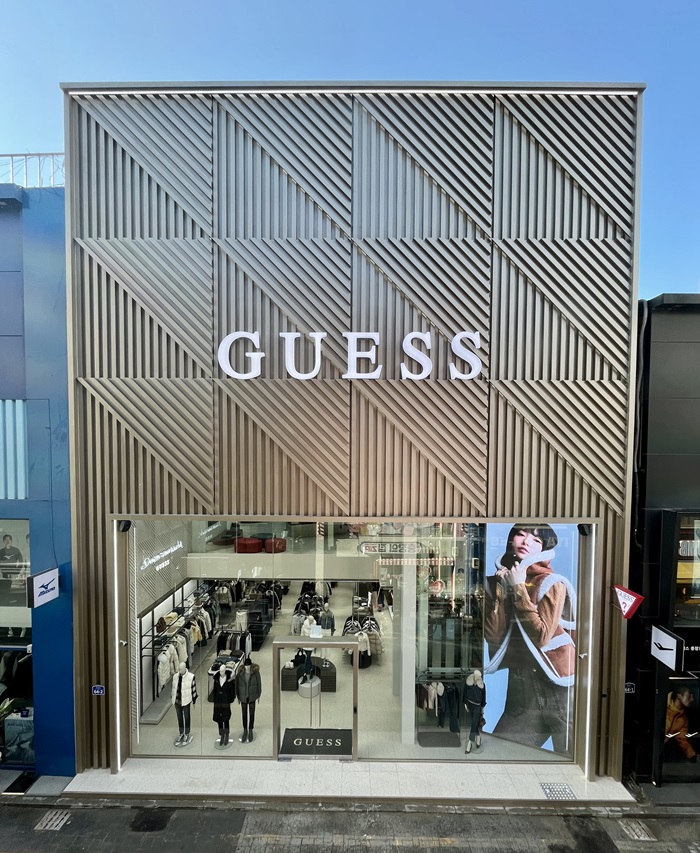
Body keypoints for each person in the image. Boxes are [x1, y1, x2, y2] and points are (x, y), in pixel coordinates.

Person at [483, 524, 575, 754]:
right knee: (501, 756)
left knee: (571, 761)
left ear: (544, 549)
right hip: (522, 690)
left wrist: (519, 588)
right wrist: (503, 591)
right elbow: (493, 636)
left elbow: (541, 635)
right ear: (511, 540)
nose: (526, 542)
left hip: (558, 689)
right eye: (521, 534)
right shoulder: (495, 582)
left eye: (536, 540)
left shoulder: (552, 583)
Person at [665, 686, 698, 762]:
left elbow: (682, 739)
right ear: (679, 696)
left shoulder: (683, 719)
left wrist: (691, 755)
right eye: (689, 695)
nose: (692, 699)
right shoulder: (661, 708)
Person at [207, 663, 236, 747]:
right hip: (218, 702)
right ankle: (222, 735)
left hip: (226, 702)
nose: (221, 672)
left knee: (226, 719)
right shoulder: (216, 679)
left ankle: (227, 734)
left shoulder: (229, 680)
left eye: (223, 671)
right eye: (220, 671)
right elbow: (215, 691)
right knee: (219, 720)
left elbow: (232, 691)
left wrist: (230, 700)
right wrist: (215, 700)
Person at [235, 657, 262, 743]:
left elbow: (259, 684)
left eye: (249, 665)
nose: (247, 667)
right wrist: (238, 696)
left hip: (252, 696)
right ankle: (245, 730)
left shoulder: (255, 673)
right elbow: (236, 686)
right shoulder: (239, 674)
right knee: (244, 714)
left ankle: (250, 729)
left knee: (252, 713)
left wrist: (259, 695)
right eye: (246, 665)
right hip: (243, 697)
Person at [171, 661, 197, 747]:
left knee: (187, 717)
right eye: (179, 669)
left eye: (181, 669)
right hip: (177, 700)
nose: (180, 670)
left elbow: (193, 689)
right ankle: (181, 733)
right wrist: (172, 698)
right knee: (179, 717)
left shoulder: (191, 676)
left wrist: (194, 700)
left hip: (186, 700)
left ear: (185, 668)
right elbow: (173, 688)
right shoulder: (175, 676)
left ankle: (187, 733)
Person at [463, 669, 486, 754]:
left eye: (480, 676)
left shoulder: (482, 685)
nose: (479, 677)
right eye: (477, 676)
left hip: (477, 706)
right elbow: (465, 693)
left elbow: (484, 696)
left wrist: (482, 707)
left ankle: (469, 743)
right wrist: (465, 703)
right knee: (474, 723)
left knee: (473, 724)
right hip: (470, 705)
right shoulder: (468, 682)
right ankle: (478, 737)